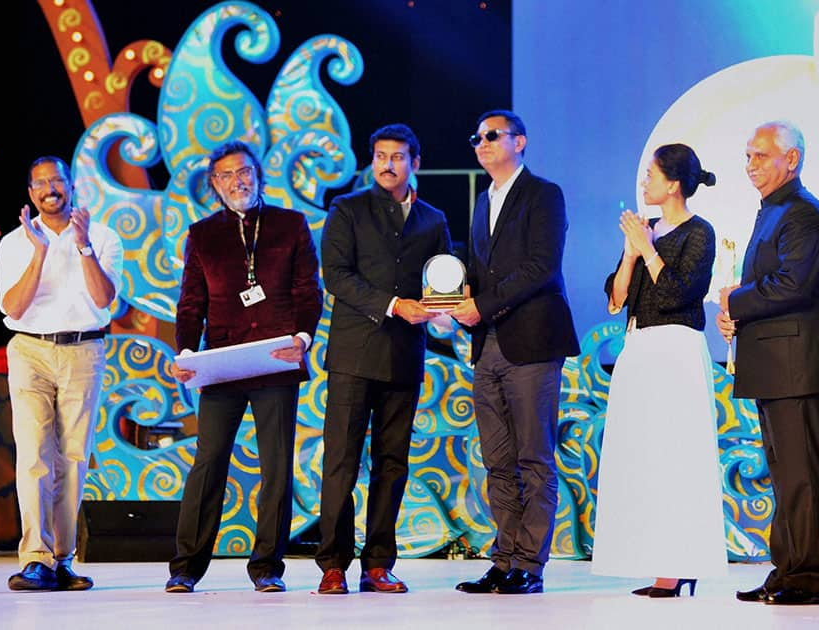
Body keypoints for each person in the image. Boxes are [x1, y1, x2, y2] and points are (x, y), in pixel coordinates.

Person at [165, 140, 323, 594]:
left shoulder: (291, 225)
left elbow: (307, 290)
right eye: (228, 175)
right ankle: (186, 567)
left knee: (276, 465)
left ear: (258, 174)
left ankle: (267, 567)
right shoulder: (202, 234)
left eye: (245, 171)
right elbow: (191, 303)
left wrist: (303, 338)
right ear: (214, 185)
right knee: (208, 462)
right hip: (222, 365)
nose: (239, 180)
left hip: (275, 361)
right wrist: (186, 354)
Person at [315, 124, 451, 595]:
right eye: (379, 156)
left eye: (397, 156)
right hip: (354, 355)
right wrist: (394, 305)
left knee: (392, 463)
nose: (387, 164)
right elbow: (335, 275)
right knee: (341, 464)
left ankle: (378, 564)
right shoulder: (348, 209)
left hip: (403, 356)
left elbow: (442, 282)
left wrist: (445, 311)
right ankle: (333, 564)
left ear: (415, 162)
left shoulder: (433, 219)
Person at [450, 110, 580, 595]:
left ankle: (530, 563)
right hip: (488, 346)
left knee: (534, 459)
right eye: (476, 137)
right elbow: (483, 270)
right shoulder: (484, 199)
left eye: (491, 136)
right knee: (498, 461)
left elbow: (541, 267)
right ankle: (502, 560)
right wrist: (455, 296)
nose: (480, 144)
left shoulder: (544, 194)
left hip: (532, 343)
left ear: (519, 141)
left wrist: (479, 304)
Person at [718, 122, 819, 605]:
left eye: (761, 156)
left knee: (802, 477)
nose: (751, 166)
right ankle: (787, 570)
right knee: (785, 475)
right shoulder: (773, 211)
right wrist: (737, 315)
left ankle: (809, 578)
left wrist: (736, 302)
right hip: (776, 363)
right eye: (747, 157)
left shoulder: (803, 214)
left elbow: (793, 285)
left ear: (791, 159)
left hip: (798, 366)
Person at [591, 144, 725, 597]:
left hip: (676, 348)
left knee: (676, 456)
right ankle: (654, 561)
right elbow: (615, 298)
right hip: (639, 346)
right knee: (643, 455)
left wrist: (647, 248)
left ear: (673, 184)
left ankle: (679, 563)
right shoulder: (645, 232)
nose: (644, 182)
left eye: (651, 175)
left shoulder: (699, 233)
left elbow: (676, 293)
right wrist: (631, 253)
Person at [0, 156, 123, 591]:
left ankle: (63, 559)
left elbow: (104, 299)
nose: (50, 188)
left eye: (57, 180)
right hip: (29, 349)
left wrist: (83, 245)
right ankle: (36, 558)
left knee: (72, 458)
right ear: (31, 193)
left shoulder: (103, 235)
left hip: (84, 349)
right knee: (33, 455)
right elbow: (13, 307)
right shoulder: (15, 242)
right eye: (41, 183)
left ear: (71, 185)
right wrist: (40, 253)